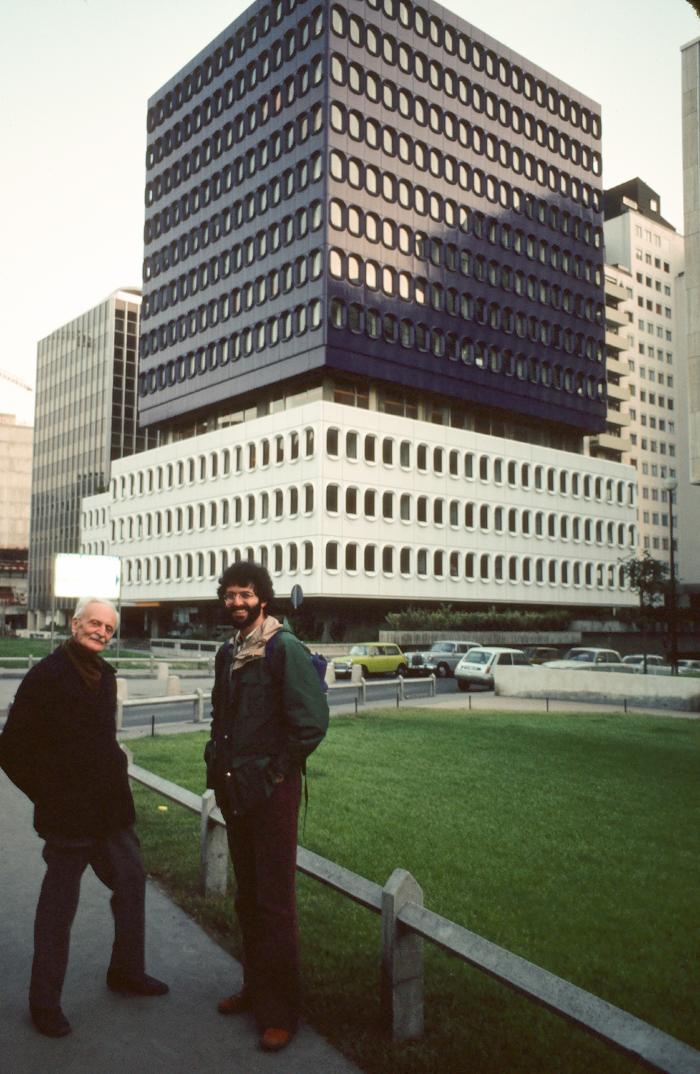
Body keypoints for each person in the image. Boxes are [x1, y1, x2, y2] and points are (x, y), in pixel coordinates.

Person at [0, 598, 168, 1038]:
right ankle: (44, 1003)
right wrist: (48, 794)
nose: (101, 632)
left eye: (109, 628)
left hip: (112, 812)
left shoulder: (105, 676)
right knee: (59, 907)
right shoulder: (46, 676)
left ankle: (127, 972)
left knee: (131, 883)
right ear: (75, 624)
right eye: (94, 623)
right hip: (68, 818)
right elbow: (10, 749)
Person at [206, 561, 328, 1053]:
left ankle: (281, 1013)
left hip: (272, 793)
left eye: (245, 594)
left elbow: (311, 724)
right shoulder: (227, 653)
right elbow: (223, 717)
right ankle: (256, 989)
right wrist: (217, 763)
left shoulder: (283, 648)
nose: (236, 602)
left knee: (275, 904)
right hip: (236, 790)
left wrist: (276, 773)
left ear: (263, 599)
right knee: (248, 896)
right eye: (230, 595)